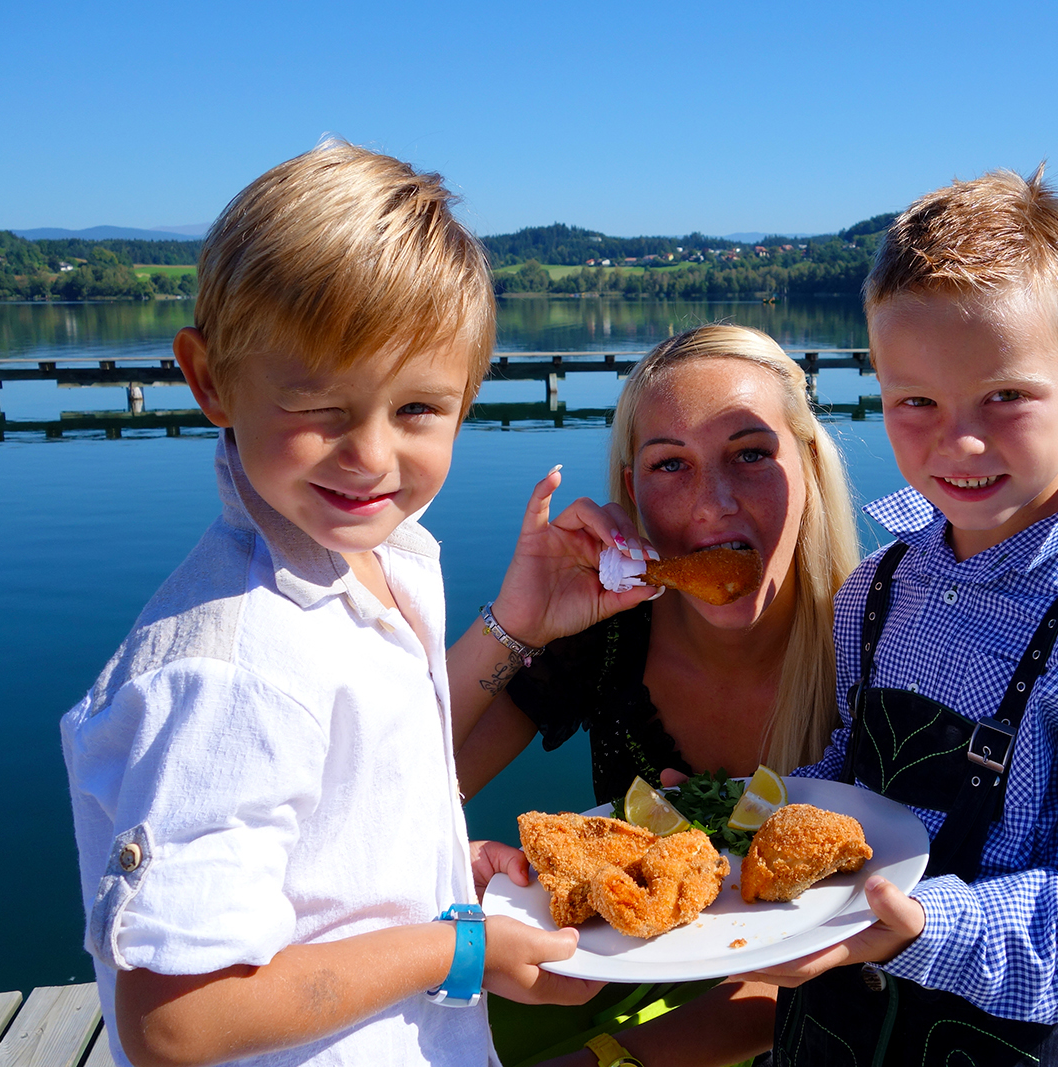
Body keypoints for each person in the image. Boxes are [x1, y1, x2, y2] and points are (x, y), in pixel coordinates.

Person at [59, 142, 601, 1067]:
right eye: (320, 405)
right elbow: (176, 1022)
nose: (373, 458)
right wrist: (461, 948)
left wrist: (425, 875)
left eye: (420, 409)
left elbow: (330, 812)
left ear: (468, 396)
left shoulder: (382, 554)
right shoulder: (230, 670)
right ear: (211, 381)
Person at [737, 168, 1058, 1066]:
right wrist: (743, 820)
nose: (958, 443)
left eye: (1005, 397)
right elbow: (850, 768)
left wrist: (928, 926)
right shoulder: (879, 588)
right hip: (822, 1033)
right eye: (916, 402)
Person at [448, 324, 862, 1067]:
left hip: (815, 1016)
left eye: (750, 453)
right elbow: (398, 791)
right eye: (672, 464)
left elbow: (860, 933)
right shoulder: (607, 638)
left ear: (806, 460)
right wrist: (515, 620)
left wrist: (609, 1063)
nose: (713, 503)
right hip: (616, 967)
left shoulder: (881, 640)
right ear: (633, 491)